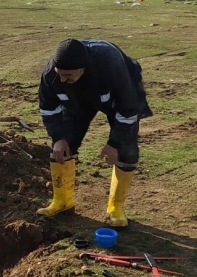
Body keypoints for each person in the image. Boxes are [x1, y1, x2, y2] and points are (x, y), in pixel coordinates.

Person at [37, 38, 152, 227]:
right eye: (59, 74)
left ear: (81, 69)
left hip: (115, 98)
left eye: (67, 75)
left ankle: (115, 208)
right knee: (62, 147)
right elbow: (48, 108)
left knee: (127, 150)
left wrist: (115, 143)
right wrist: (58, 137)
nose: (61, 80)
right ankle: (63, 201)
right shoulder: (52, 73)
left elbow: (129, 110)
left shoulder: (112, 67)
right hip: (76, 102)